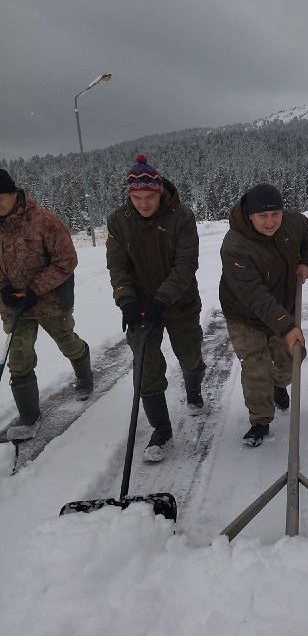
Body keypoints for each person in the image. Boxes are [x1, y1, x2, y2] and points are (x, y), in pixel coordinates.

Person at [106, 155, 205, 462]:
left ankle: (193, 389)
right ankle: (161, 430)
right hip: (140, 307)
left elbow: (185, 264)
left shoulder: (181, 217)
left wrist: (163, 300)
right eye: (137, 198)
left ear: (160, 192)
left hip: (179, 302)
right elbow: (117, 265)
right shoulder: (118, 220)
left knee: (189, 356)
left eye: (149, 197)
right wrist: (126, 300)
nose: (143, 204)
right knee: (146, 367)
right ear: (129, 195)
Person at [219, 183, 308, 446]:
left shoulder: (291, 222)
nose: (271, 221)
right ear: (249, 215)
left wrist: (306, 261)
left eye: (275, 214)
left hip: (281, 305)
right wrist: (287, 327)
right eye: (262, 216)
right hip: (245, 315)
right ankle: (260, 421)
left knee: (292, 359)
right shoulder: (235, 246)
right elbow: (255, 296)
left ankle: (277, 385)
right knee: (256, 367)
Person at [0, 168, 93, 441]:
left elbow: (67, 260)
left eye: (0, 197)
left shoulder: (43, 221)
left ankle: (85, 377)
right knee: (18, 356)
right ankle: (29, 416)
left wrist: (35, 289)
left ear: (13, 193)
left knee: (67, 341)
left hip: (50, 302)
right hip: (13, 306)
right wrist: (3, 288)